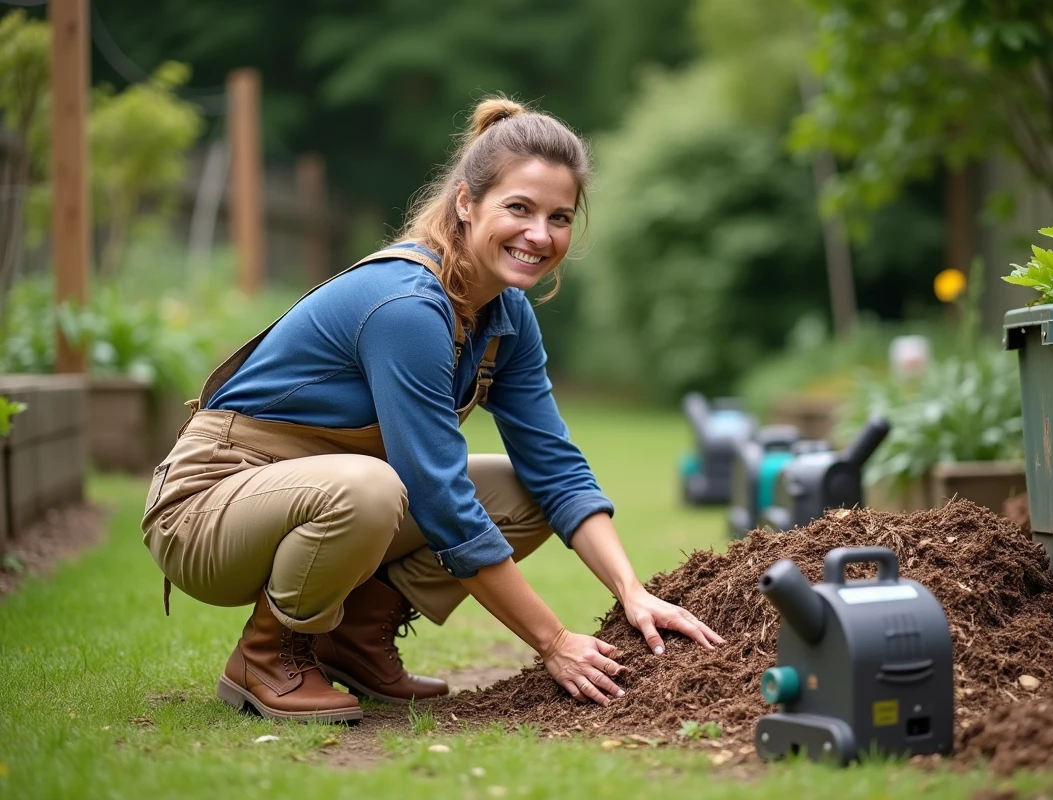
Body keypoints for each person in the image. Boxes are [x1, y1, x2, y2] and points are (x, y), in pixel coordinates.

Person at [141, 97, 724, 724]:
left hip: (321, 493)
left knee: (522, 491)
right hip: (208, 505)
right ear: (467, 203)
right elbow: (438, 496)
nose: (540, 235)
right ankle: (266, 656)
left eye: (559, 217)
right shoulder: (408, 306)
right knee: (371, 487)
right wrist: (553, 643)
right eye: (519, 208)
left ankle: (353, 641)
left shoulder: (506, 316)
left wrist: (632, 591)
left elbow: (555, 466)